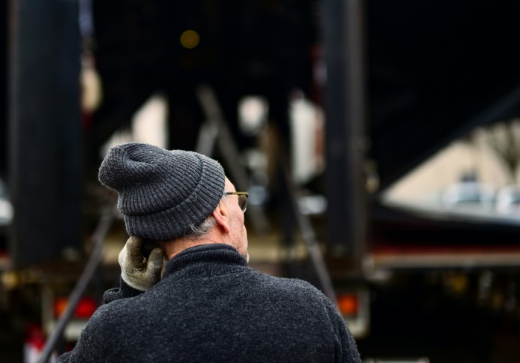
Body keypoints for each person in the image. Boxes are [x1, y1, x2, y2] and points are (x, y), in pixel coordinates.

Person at [58, 142, 361, 363]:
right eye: (237, 200)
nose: (241, 213)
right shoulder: (307, 309)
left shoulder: (114, 330)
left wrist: (129, 294)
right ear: (219, 212)